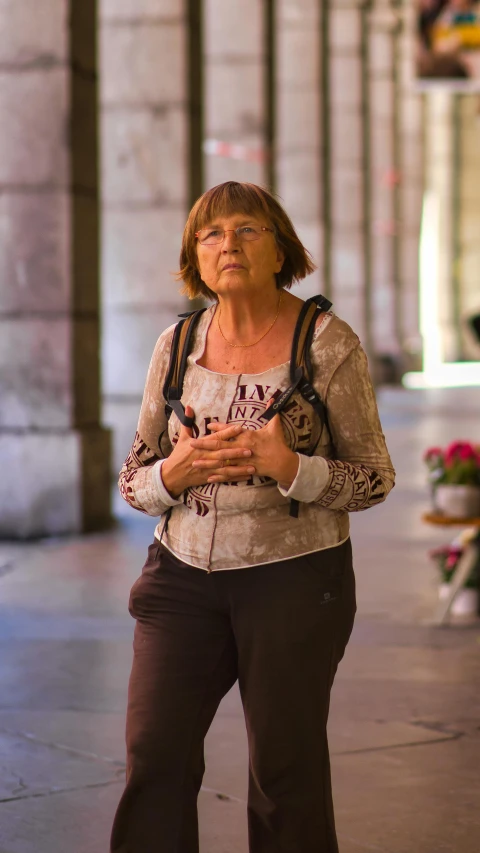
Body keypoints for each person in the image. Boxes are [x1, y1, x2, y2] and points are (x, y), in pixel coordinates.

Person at [110, 181, 395, 853]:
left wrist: (289, 466)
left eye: (247, 230)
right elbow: (134, 479)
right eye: (210, 234)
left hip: (295, 578)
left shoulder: (327, 343)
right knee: (154, 753)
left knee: (284, 769)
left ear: (279, 249)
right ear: (194, 256)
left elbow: (375, 477)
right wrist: (173, 475)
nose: (228, 244)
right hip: (180, 576)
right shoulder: (176, 345)